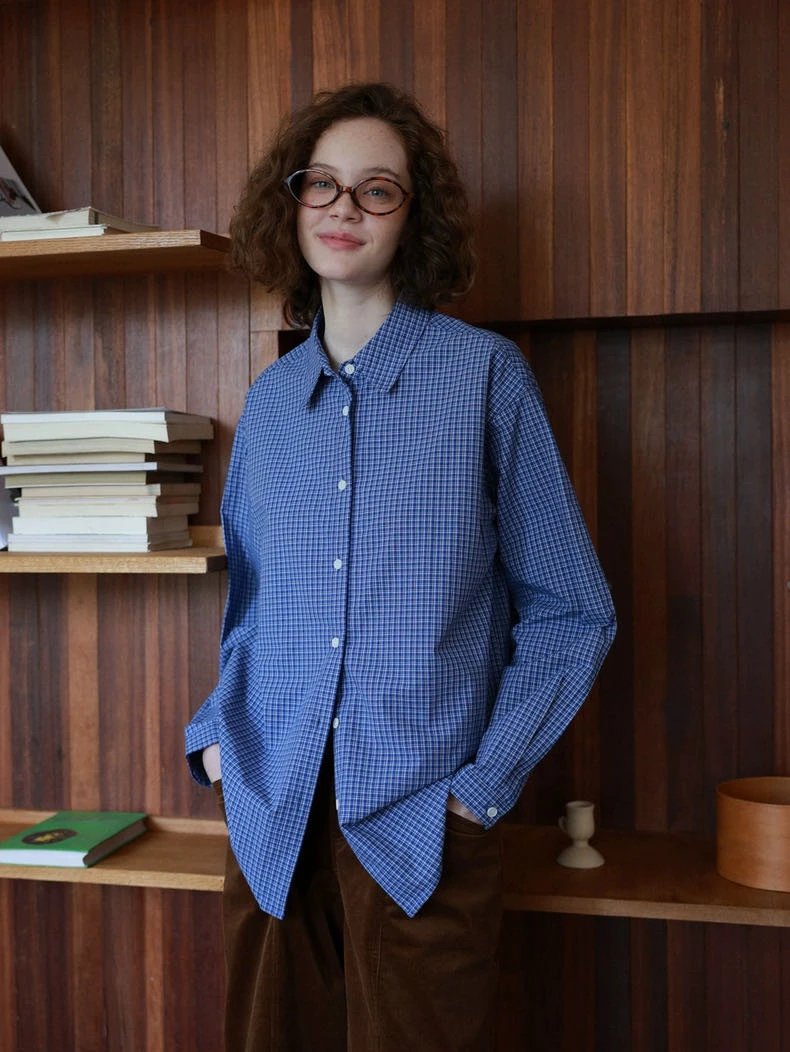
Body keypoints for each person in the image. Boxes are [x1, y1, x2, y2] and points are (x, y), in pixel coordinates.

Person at [185, 81, 616, 1052]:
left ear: (413, 216)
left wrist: (479, 789)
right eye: (321, 183)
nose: (344, 207)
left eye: (376, 189)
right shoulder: (269, 404)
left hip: (423, 830)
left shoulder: (484, 377)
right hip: (270, 818)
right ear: (290, 201)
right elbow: (250, 611)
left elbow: (573, 610)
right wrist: (215, 742)